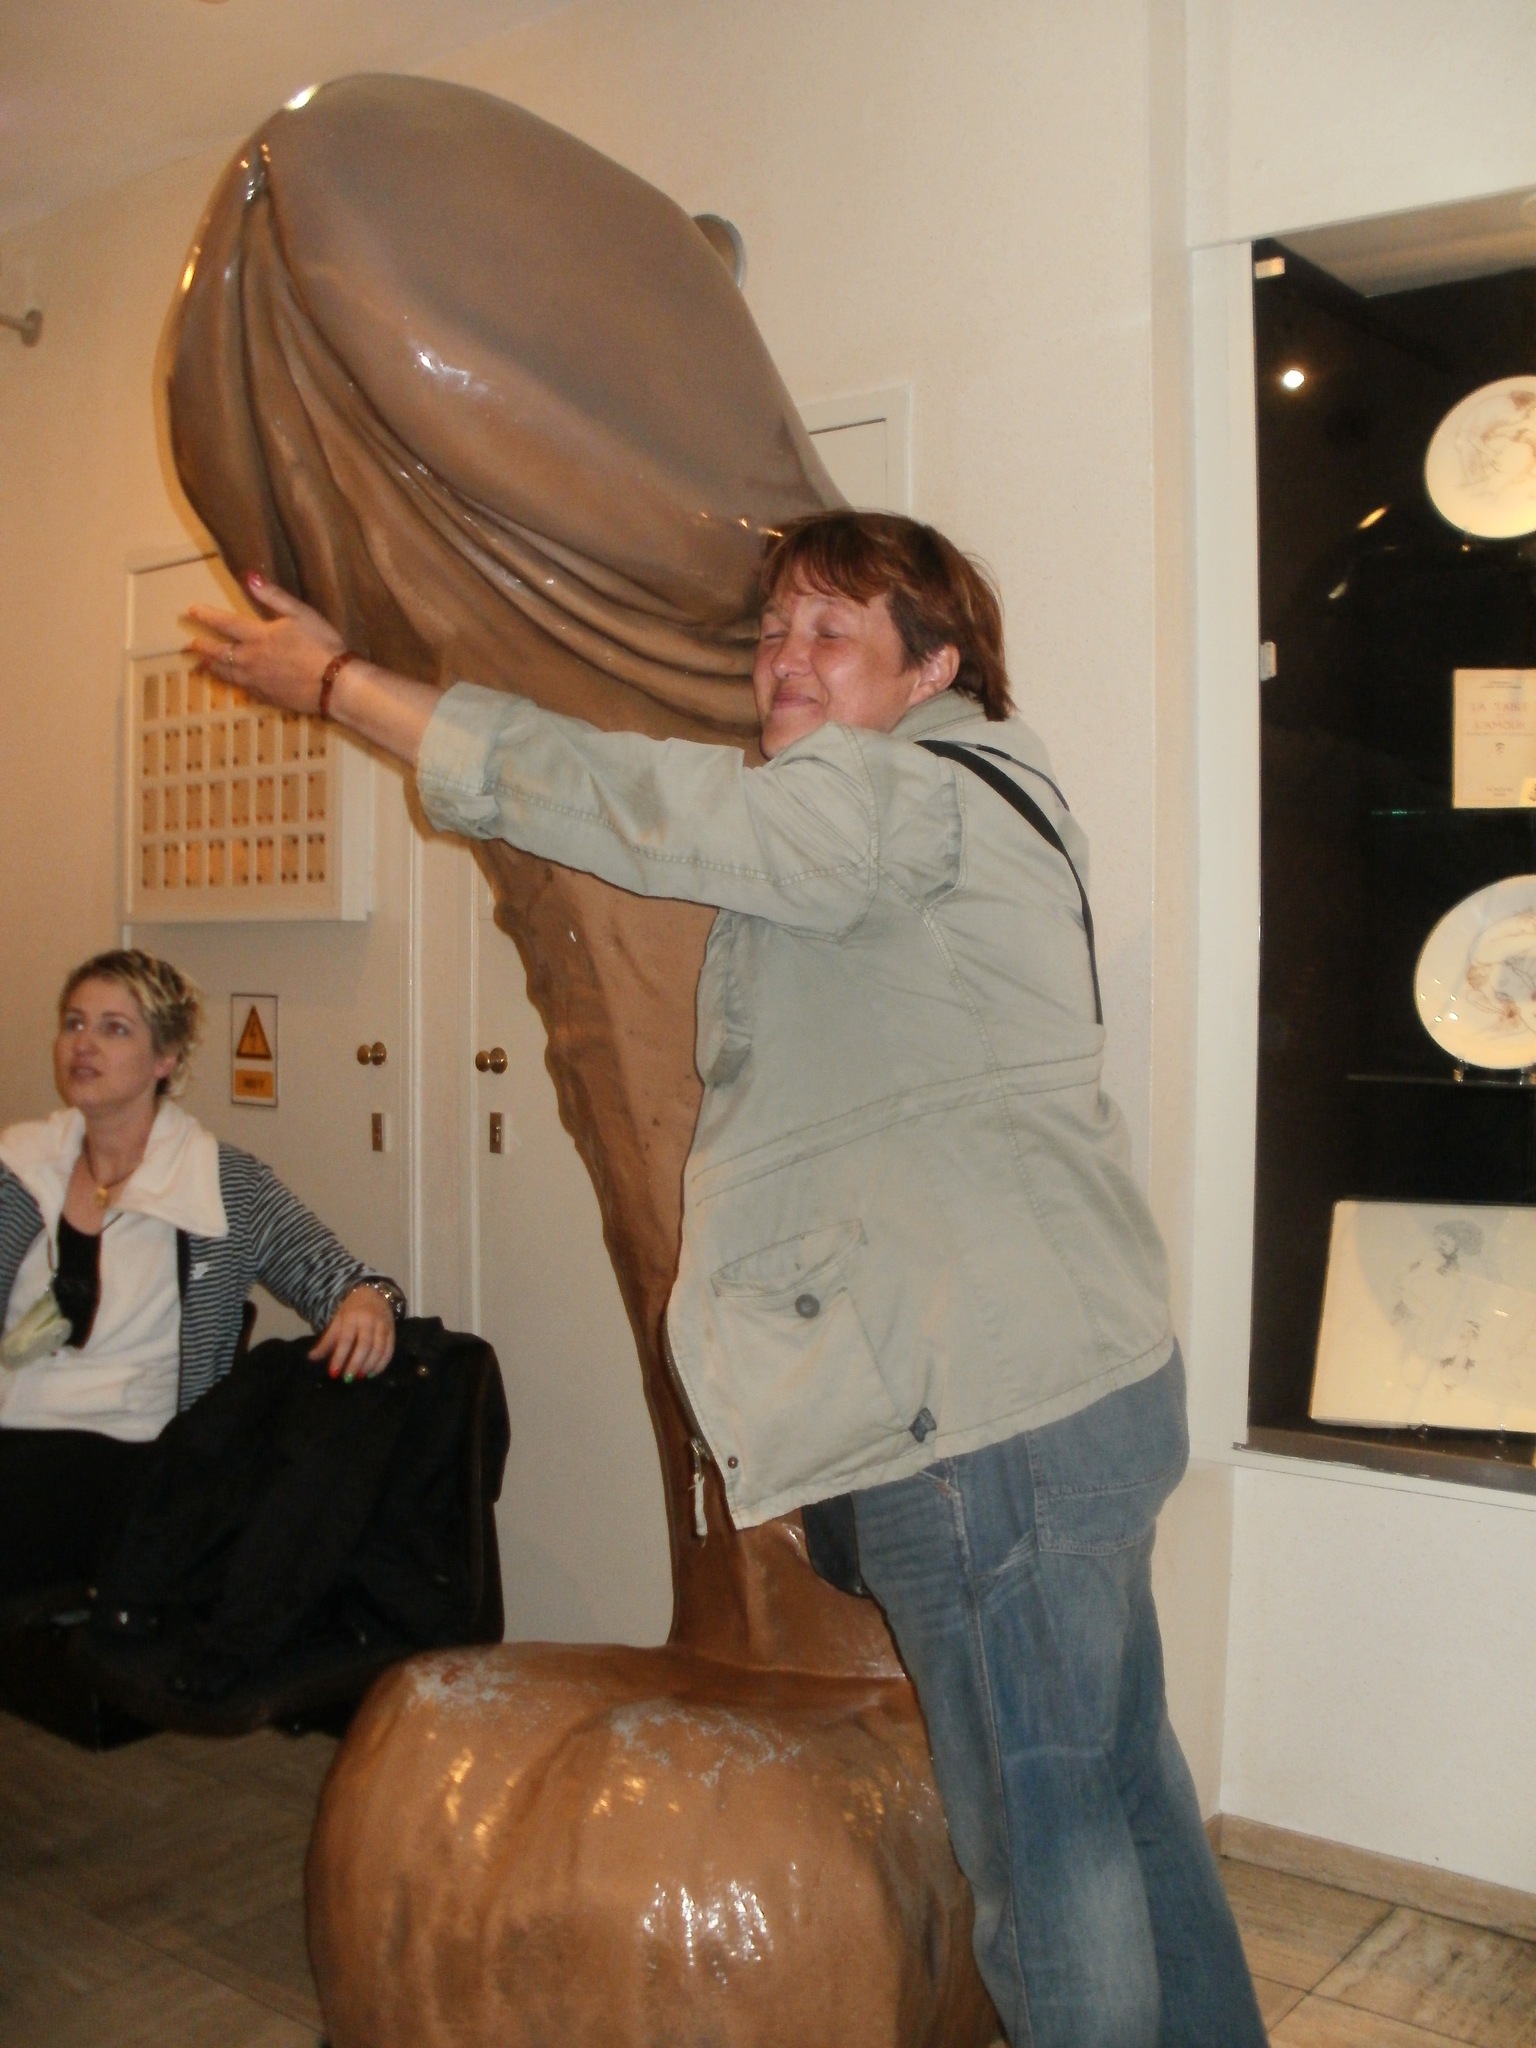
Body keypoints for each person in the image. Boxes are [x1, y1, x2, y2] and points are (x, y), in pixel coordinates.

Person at [188, 512, 1263, 2047]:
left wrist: (346, 684)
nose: (784, 660)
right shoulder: (993, 798)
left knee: (1043, 1851)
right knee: (1119, 1794)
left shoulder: (890, 796)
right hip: (1073, 1387)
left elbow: (645, 803)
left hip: (987, 1429)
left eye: (833, 631)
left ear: (934, 669)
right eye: (772, 632)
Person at [0, 950, 405, 1608]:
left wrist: (371, 1301)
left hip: (139, 1457)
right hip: (15, 1431)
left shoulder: (220, 1184)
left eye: (114, 1028)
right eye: (74, 1023)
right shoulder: (20, 1166)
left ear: (165, 1058)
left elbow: (346, 1279)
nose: (84, 1044)